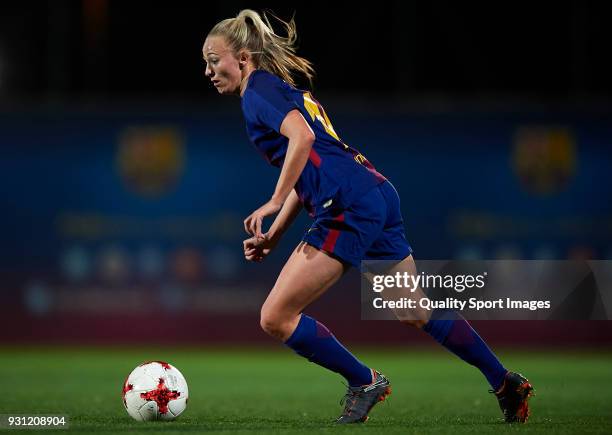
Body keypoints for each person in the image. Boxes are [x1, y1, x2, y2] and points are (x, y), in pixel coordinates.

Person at [202, 9, 534, 424]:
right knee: (413, 310)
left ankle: (364, 381)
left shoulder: (258, 92)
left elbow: (302, 139)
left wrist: (272, 200)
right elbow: (305, 160)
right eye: (206, 63)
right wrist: (275, 234)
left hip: (348, 205)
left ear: (244, 58)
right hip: (374, 192)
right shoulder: (278, 89)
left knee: (276, 317)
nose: (209, 70)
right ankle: (506, 382)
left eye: (215, 60)